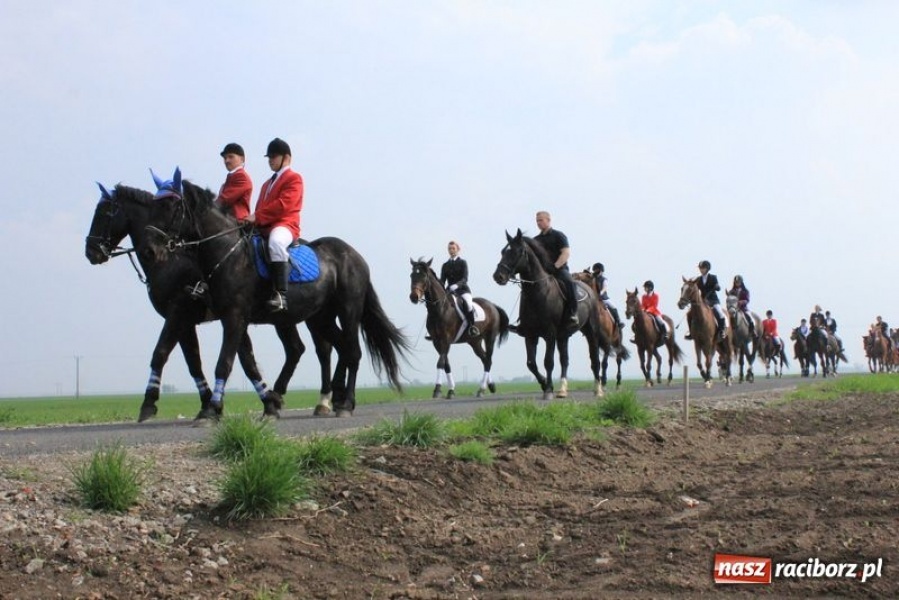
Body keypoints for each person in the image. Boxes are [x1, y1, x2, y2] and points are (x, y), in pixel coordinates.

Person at [245, 138, 303, 312]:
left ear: (286, 158)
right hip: (264, 226)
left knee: (276, 242)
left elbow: (285, 204)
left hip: (285, 225)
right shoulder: (266, 184)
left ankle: (280, 294)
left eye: (274, 156)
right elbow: (260, 207)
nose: (270, 160)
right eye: (269, 157)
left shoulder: (294, 178)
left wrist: (257, 216)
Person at [533, 210, 578, 325]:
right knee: (527, 288)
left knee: (570, 283)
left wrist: (555, 266)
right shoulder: (536, 240)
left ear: (548, 220)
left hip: (559, 270)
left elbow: (566, 253)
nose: (538, 223)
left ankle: (573, 313)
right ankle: (524, 320)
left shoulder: (558, 235)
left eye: (541, 220)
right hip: (542, 272)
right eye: (537, 221)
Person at [439, 240, 480, 336]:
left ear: (458, 249)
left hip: (462, 290)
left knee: (469, 305)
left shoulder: (462, 262)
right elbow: (442, 281)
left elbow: (465, 278)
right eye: (449, 249)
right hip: (450, 291)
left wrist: (457, 285)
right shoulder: (445, 265)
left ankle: (472, 327)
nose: (451, 250)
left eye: (453, 248)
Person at [685, 260, 727, 340]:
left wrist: (717, 286)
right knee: (689, 313)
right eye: (700, 268)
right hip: (703, 301)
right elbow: (694, 289)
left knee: (720, 313)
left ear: (707, 269)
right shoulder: (698, 279)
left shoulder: (713, 277)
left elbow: (718, 287)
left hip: (713, 300)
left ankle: (722, 330)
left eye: (702, 268)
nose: (701, 270)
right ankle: (691, 332)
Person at [215, 143, 253, 221]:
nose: (227, 160)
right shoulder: (230, 178)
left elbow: (224, 199)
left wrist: (206, 206)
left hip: (237, 221)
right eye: (225, 158)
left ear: (242, 159)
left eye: (231, 157)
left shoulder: (241, 176)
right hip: (226, 220)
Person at [591, 263, 625, 329]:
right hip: (594, 299)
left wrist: (601, 292)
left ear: (601, 271)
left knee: (613, 307)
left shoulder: (604, 279)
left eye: (597, 270)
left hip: (603, 298)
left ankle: (619, 321)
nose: (596, 272)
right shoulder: (593, 279)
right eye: (595, 270)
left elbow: (605, 288)